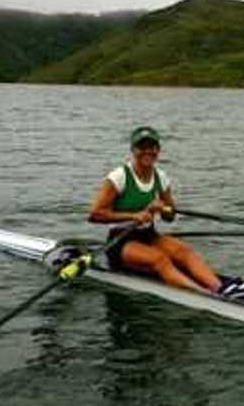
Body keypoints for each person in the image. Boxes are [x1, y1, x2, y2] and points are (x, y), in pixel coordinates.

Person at [88, 126, 224, 295]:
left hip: (149, 235)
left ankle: (220, 289)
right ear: (133, 150)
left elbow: (170, 217)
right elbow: (95, 215)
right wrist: (134, 216)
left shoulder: (161, 177)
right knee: (160, 259)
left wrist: (163, 209)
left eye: (152, 147)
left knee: (184, 252)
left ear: (158, 150)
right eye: (141, 147)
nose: (147, 152)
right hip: (120, 240)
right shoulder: (118, 177)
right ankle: (204, 296)